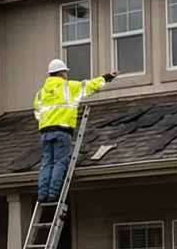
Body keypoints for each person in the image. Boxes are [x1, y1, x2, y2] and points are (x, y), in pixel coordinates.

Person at [33, 59, 116, 203]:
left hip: (45, 132)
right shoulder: (68, 87)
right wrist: (106, 77)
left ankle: (42, 193)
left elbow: (37, 114)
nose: (66, 74)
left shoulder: (40, 94)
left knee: (47, 163)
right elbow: (89, 86)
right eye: (65, 72)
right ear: (61, 73)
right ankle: (53, 193)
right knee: (59, 162)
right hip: (62, 130)